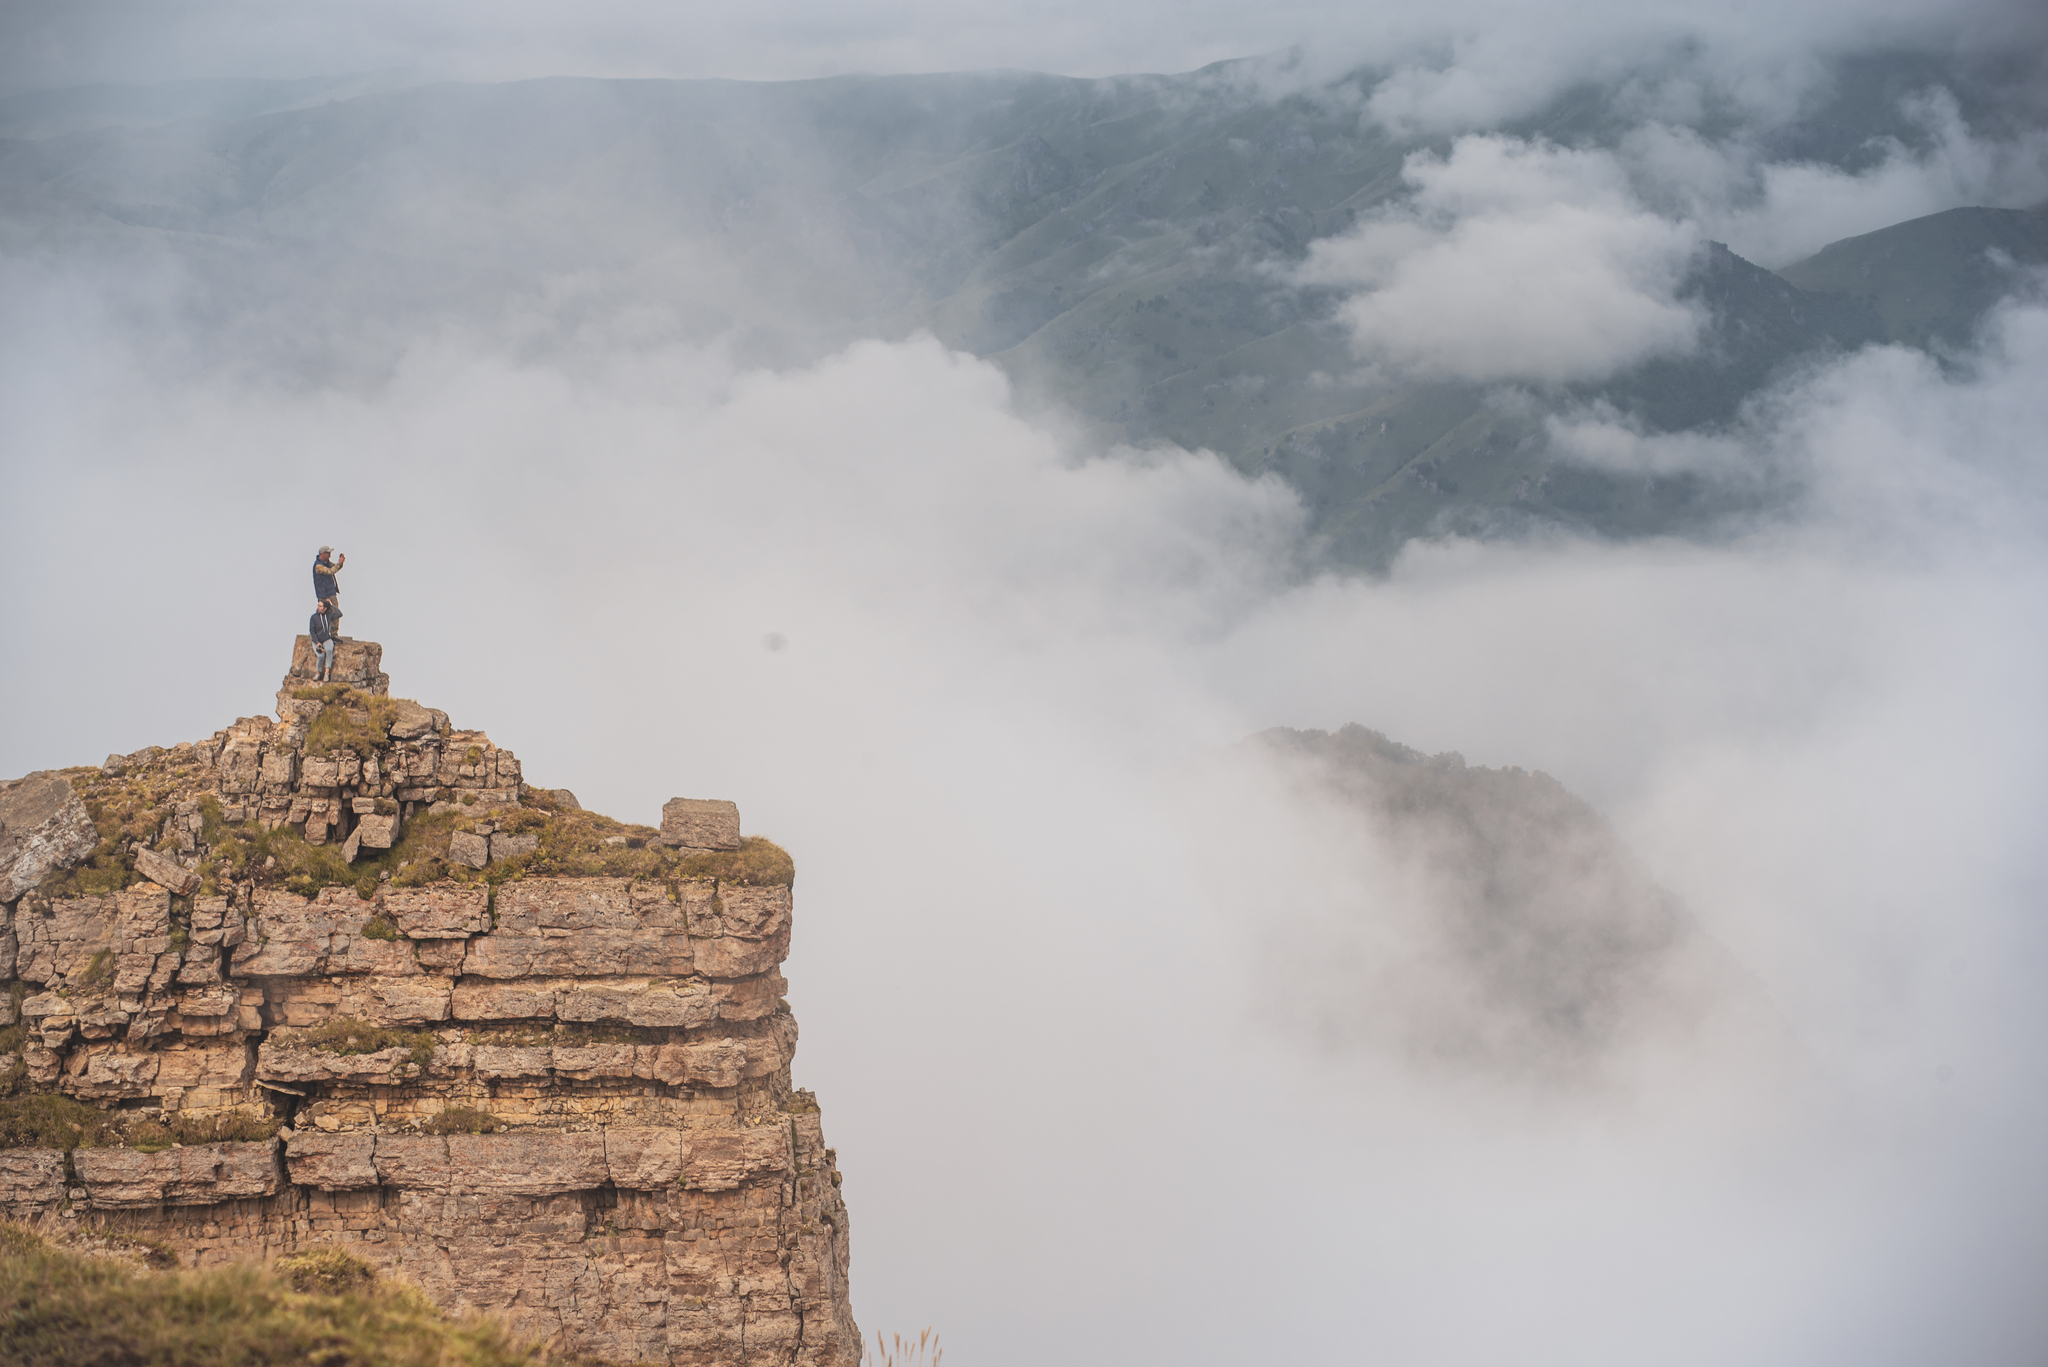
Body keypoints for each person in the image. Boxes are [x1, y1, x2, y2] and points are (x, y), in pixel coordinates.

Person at [312, 547, 346, 634]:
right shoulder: (318, 566)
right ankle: (320, 633)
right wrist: (339, 563)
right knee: (322, 614)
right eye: (328, 553)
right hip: (323, 594)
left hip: (330, 592)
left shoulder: (326, 563)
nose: (330, 555)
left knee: (335, 612)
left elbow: (335, 567)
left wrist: (340, 563)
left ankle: (334, 634)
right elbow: (330, 571)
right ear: (322, 554)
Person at [309, 599, 338, 682]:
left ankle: (326, 674)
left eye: (320, 606)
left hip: (327, 639)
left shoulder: (329, 615)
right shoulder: (314, 617)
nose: (318, 607)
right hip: (317, 641)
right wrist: (317, 642)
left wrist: (332, 605)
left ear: (325, 608)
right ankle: (318, 673)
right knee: (321, 656)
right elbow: (312, 631)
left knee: (329, 650)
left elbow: (339, 614)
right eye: (318, 605)